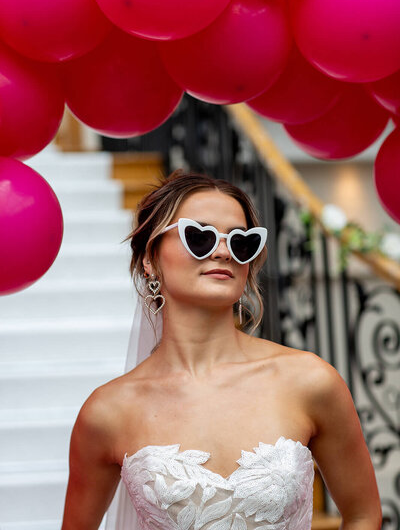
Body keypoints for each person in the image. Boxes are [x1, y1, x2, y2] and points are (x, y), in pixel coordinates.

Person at [61, 170, 382, 530]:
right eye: (200, 236)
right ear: (150, 258)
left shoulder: (310, 381)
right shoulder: (107, 412)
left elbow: (363, 515)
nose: (224, 251)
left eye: (242, 241)